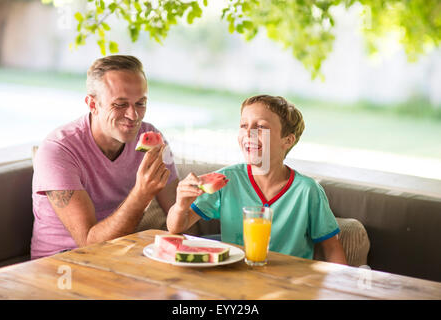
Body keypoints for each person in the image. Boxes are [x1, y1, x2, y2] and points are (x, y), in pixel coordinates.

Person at [167, 95, 347, 264]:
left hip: (289, 283)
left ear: (287, 140)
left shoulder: (308, 191)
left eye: (260, 127)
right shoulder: (226, 180)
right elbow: (176, 228)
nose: (249, 133)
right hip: (237, 277)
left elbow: (331, 249)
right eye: (244, 125)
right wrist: (181, 205)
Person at [31, 55, 179, 259]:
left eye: (140, 103)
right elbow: (88, 242)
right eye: (120, 104)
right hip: (64, 263)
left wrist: (194, 202)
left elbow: (177, 213)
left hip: (123, 256)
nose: (134, 116)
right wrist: (141, 194)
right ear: (92, 104)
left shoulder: (152, 137)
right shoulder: (58, 151)